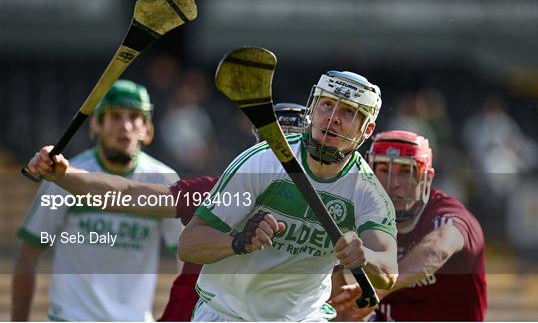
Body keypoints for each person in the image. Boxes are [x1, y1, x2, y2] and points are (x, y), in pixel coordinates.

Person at [24, 102, 308, 321]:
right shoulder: (214, 193)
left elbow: (329, 290)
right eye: (270, 147)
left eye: (290, 149)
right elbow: (128, 194)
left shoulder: (330, 209)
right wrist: (65, 175)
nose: (279, 160)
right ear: (255, 149)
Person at [179, 70, 398, 321]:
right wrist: (238, 242)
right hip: (227, 312)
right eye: (327, 104)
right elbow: (189, 244)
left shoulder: (368, 192)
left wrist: (365, 256)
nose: (332, 118)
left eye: (348, 111)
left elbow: (388, 272)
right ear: (312, 109)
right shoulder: (263, 160)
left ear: (367, 129)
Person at [12, 80, 183, 321]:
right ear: (96, 124)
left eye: (135, 116)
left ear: (147, 128)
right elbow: (27, 259)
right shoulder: (63, 177)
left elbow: (188, 257)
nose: (125, 126)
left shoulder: (164, 180)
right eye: (114, 116)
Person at [329, 130, 487, 321]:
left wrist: (377, 290)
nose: (392, 183)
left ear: (426, 178)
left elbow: (437, 249)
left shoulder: (448, 213)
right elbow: (343, 310)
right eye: (384, 170)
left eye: (406, 172)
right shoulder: (356, 213)